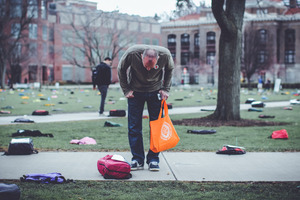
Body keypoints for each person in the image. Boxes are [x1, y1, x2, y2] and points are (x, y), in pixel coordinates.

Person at [117, 44, 174, 171]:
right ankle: (137, 159)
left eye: (152, 66)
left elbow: (170, 69)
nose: (149, 70)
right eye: (146, 66)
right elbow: (121, 69)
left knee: (156, 126)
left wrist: (166, 89)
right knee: (134, 127)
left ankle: (153, 159)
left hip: (155, 92)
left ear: (158, 59)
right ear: (141, 57)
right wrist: (126, 90)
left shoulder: (165, 55)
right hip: (135, 92)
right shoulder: (132, 53)